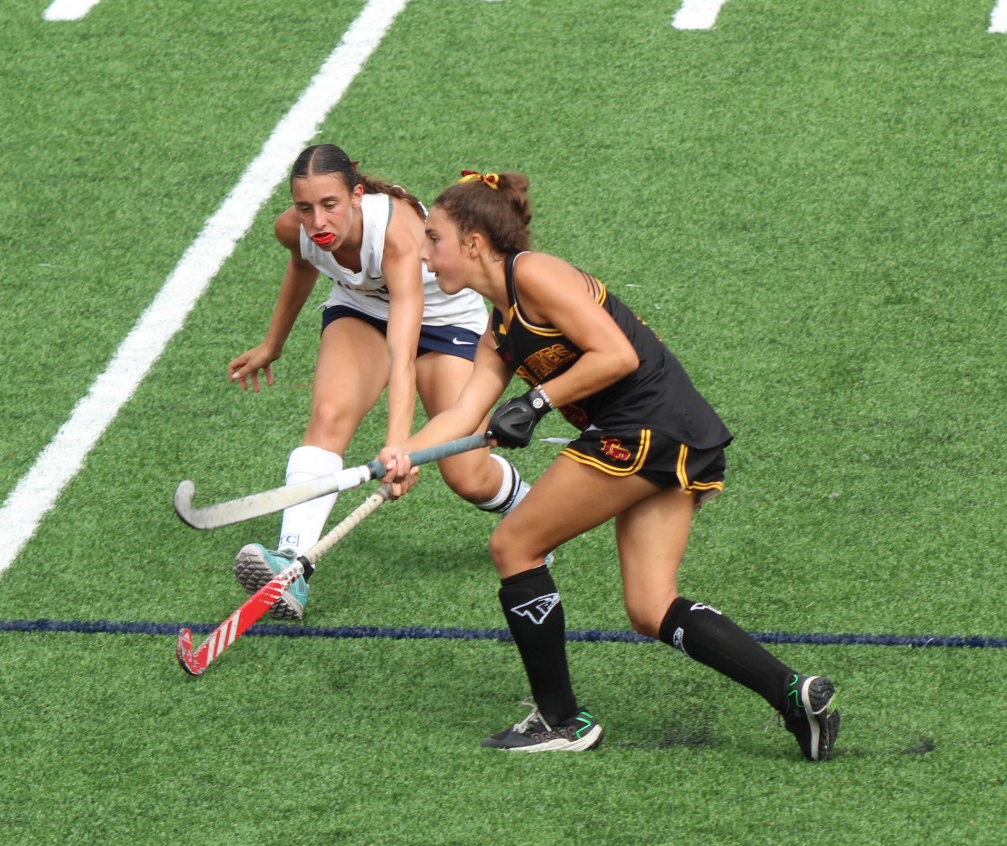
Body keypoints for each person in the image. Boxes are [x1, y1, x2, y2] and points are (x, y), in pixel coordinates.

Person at [378, 170, 839, 759]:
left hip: (641, 427)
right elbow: (466, 412)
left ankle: (561, 720)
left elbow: (616, 355)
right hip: (673, 434)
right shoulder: (499, 330)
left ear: (473, 243)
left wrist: (536, 402)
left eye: (433, 238)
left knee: (514, 545)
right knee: (651, 607)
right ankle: (793, 693)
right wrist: (405, 454)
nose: (423, 253)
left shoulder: (534, 273)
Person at [226, 144, 530, 620]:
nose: (317, 221)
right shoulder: (294, 229)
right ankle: (290, 564)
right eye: (305, 208)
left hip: (442, 319)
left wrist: (399, 447)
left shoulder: (395, 237)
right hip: (363, 309)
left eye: (330, 205)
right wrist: (273, 343)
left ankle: (528, 509)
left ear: (356, 196)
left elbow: (401, 355)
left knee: (467, 476)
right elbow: (302, 263)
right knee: (329, 416)